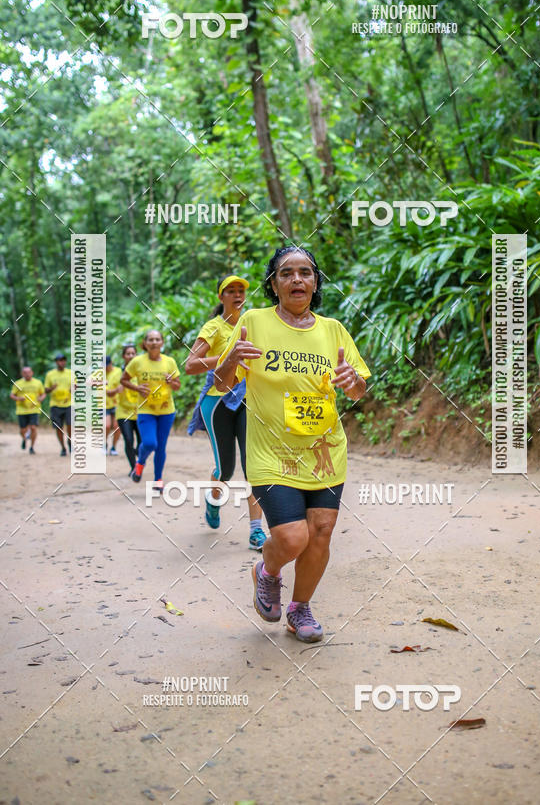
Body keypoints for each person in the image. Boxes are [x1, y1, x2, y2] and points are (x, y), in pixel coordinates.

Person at [215, 246, 370, 643]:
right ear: (274, 283)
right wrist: (232, 357)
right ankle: (266, 572)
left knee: (320, 531)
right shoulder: (253, 321)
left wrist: (352, 381)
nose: (297, 279)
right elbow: (221, 383)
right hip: (271, 452)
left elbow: (358, 390)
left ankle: (299, 608)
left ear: (315, 282)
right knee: (292, 537)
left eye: (306, 272)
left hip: (324, 451)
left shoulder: (333, 329)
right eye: (287, 273)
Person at [186, 275, 266, 551]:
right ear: (221, 297)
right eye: (230, 291)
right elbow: (190, 365)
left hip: (246, 399)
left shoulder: (253, 323)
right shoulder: (214, 327)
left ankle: (257, 531)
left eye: (240, 290)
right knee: (226, 469)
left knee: (253, 465)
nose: (237, 295)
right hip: (217, 402)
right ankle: (213, 500)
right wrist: (229, 356)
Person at [121, 330, 180, 491]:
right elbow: (123, 380)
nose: (154, 342)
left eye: (157, 339)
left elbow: (177, 385)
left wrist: (171, 382)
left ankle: (158, 479)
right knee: (149, 443)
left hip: (166, 410)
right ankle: (140, 463)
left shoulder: (170, 362)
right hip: (146, 410)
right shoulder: (137, 362)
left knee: (161, 447)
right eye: (151, 340)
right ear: (145, 343)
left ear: (162, 343)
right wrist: (137, 387)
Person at [116, 344, 141, 476]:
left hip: (140, 411)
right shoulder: (117, 373)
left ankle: (138, 454)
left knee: (142, 441)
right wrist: (116, 390)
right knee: (128, 440)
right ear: (123, 356)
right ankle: (133, 468)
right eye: (128, 354)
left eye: (133, 353)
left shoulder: (141, 371)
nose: (131, 356)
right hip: (123, 412)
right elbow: (109, 392)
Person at [10, 366, 45, 454]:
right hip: (22, 410)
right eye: (25, 373)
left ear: (32, 373)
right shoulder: (18, 383)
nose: (27, 374)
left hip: (34, 409)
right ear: (22, 374)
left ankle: (32, 447)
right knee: (23, 430)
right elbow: (12, 395)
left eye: (29, 372)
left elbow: (43, 394)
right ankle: (24, 438)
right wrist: (18, 398)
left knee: (33, 428)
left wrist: (41, 398)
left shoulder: (38, 382)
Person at [44, 353, 73, 456]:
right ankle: (63, 447)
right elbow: (46, 390)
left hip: (69, 403)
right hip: (55, 404)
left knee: (70, 424)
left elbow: (76, 386)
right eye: (60, 360)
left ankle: (70, 441)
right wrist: (51, 388)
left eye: (63, 360)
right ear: (56, 362)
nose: (62, 362)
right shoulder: (50, 374)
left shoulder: (71, 373)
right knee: (58, 427)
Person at [105, 355, 122, 455]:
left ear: (111, 363)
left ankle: (114, 447)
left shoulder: (118, 371)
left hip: (117, 403)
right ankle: (104, 444)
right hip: (104, 404)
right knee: (106, 426)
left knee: (117, 426)